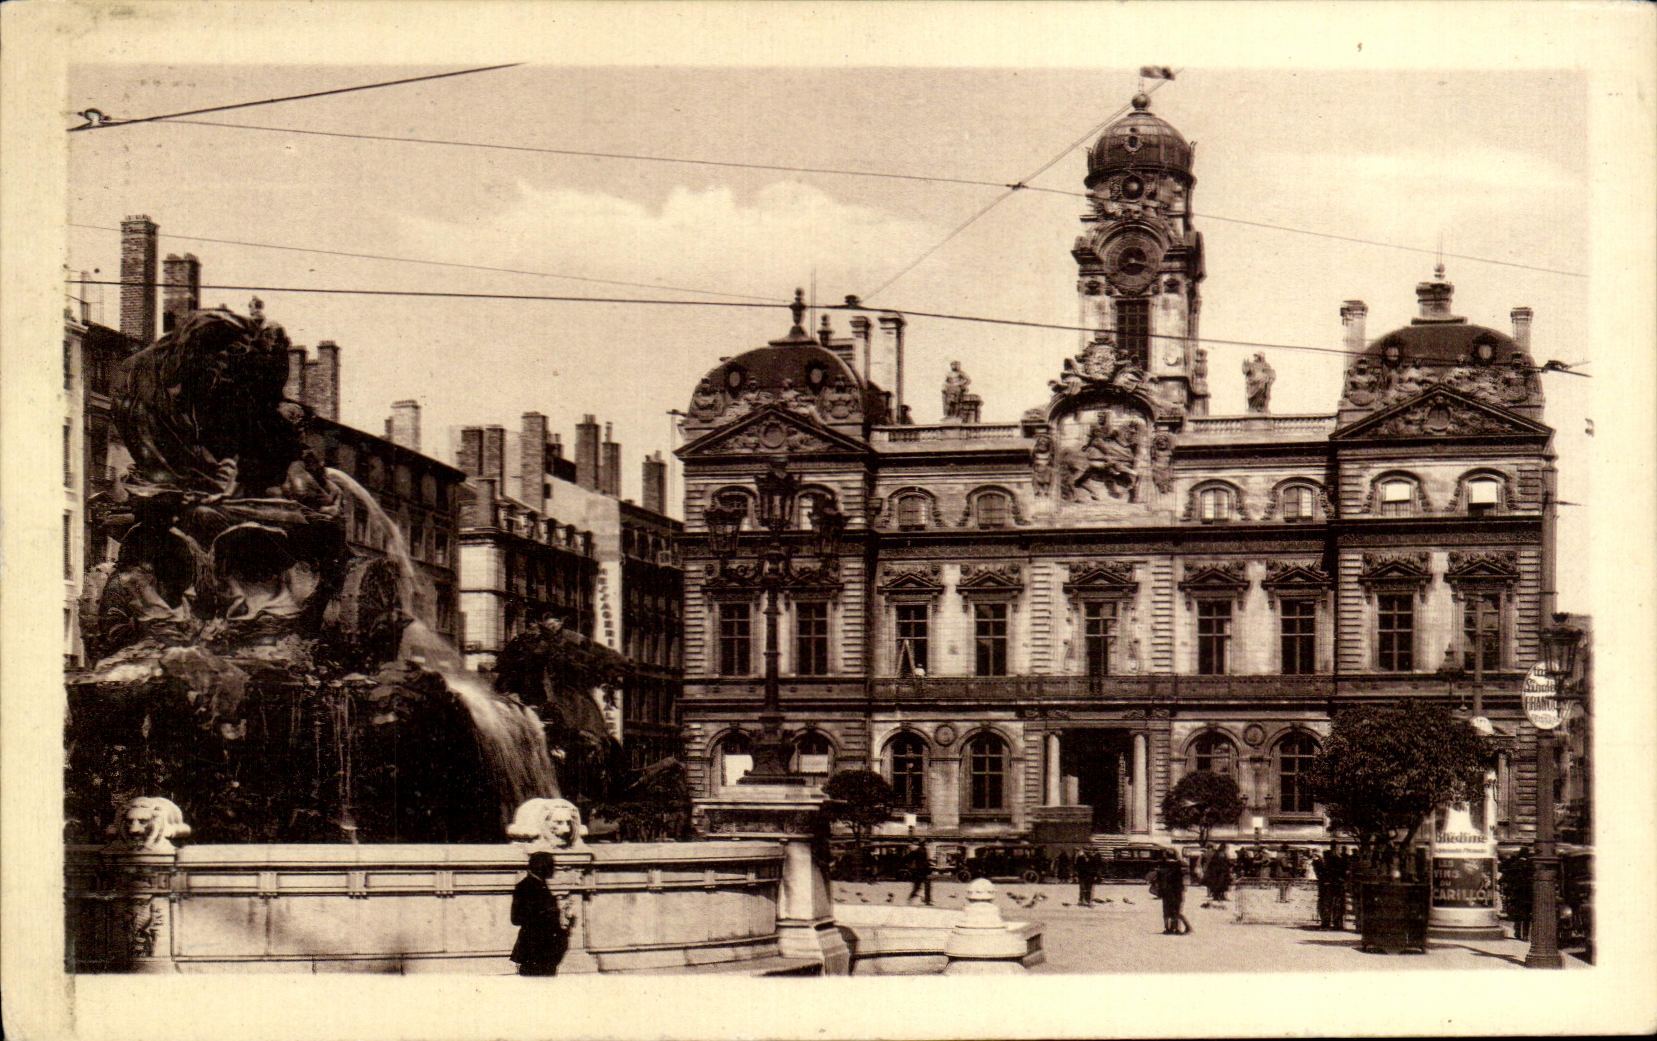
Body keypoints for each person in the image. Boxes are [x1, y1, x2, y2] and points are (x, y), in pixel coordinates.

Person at [510, 851, 570, 976]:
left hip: (543, 949)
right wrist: (548, 912)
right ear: (542, 867)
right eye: (551, 865)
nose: (554, 869)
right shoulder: (526, 886)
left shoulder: (540, 884)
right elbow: (516, 918)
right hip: (535, 949)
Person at [1154, 851, 1189, 934]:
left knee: (1166, 910)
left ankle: (1167, 928)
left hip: (1166, 891)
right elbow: (1185, 876)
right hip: (1177, 891)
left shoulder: (1162, 866)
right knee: (1176, 910)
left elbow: (1158, 880)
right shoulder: (1180, 865)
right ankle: (1176, 928)